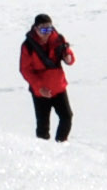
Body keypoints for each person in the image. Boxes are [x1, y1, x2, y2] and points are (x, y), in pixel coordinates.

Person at [18, 12, 75, 140]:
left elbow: (69, 56)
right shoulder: (28, 46)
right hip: (41, 92)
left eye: (49, 28)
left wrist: (68, 58)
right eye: (43, 29)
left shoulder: (58, 39)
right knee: (43, 127)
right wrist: (39, 87)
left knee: (67, 117)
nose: (47, 33)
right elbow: (25, 70)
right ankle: (43, 154)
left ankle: (60, 145)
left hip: (58, 87)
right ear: (36, 29)